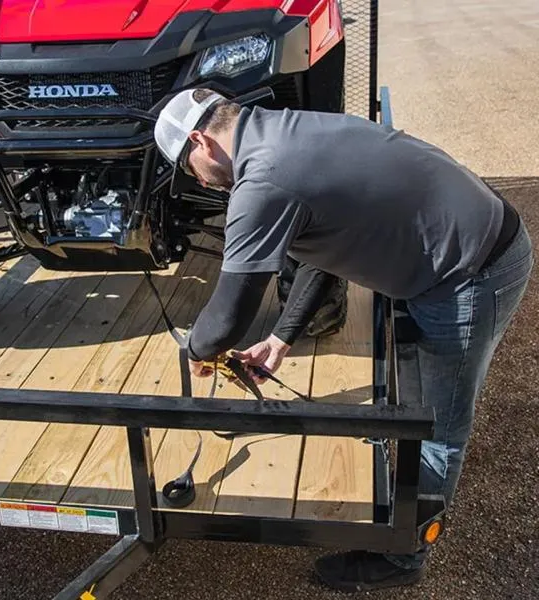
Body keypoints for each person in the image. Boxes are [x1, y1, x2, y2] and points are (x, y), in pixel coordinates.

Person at [153, 88, 534, 592]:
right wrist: (282, 338)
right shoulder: (285, 131)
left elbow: (226, 317)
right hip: (454, 248)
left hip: (470, 273)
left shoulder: (262, 179)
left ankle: (403, 558)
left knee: (435, 428)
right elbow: (323, 247)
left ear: (201, 141)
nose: (200, 181)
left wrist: (197, 350)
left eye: (190, 169)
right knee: (415, 404)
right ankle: (406, 508)